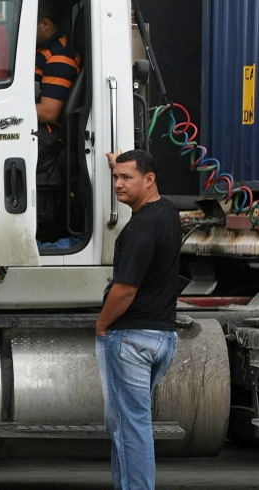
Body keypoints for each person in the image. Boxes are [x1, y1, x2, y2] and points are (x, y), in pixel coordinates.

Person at [0, 0, 81, 284]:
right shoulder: (43, 51)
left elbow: (48, 111)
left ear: (45, 23)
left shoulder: (60, 56)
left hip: (47, 137)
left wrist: (1, 113)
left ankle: (1, 255)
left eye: (29, 23)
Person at [95, 149, 181, 490]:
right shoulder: (167, 212)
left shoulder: (140, 229)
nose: (117, 184)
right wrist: (120, 163)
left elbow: (125, 290)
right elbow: (143, 173)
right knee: (129, 426)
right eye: (115, 177)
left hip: (130, 338)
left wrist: (102, 325)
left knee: (131, 429)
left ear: (150, 180)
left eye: (126, 178)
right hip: (162, 338)